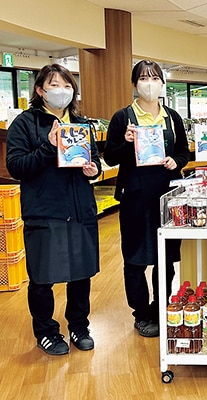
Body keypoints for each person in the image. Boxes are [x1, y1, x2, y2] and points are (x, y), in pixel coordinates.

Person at [6, 64, 101, 355]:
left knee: (80, 273)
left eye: (66, 85)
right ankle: (46, 330)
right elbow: (17, 166)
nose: (61, 91)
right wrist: (48, 146)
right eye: (54, 85)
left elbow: (94, 162)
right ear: (40, 90)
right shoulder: (26, 123)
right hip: (44, 211)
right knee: (42, 276)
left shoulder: (81, 124)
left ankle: (78, 326)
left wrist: (93, 170)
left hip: (80, 208)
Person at [104, 60, 190, 337]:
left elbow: (184, 153)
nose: (149, 84)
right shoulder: (122, 118)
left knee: (164, 257)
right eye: (143, 78)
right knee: (136, 258)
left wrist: (174, 161)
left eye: (154, 78)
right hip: (134, 197)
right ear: (134, 84)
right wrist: (126, 142)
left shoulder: (172, 117)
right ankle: (141, 312)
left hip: (166, 197)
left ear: (162, 83)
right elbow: (109, 157)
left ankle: (160, 308)